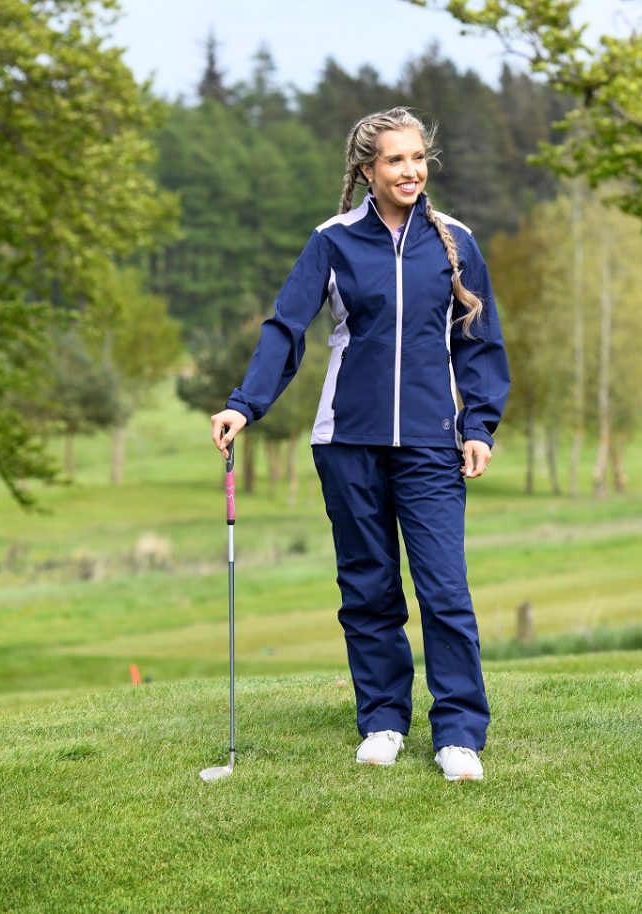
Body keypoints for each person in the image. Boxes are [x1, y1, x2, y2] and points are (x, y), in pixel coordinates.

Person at [209, 107, 509, 782]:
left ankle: (458, 732)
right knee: (369, 590)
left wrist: (478, 426)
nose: (410, 170)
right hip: (347, 443)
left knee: (444, 590)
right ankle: (382, 720)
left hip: (432, 446)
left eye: (418, 158)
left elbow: (479, 343)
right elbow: (286, 328)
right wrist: (243, 404)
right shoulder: (333, 241)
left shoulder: (455, 242)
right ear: (366, 170)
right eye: (395, 160)